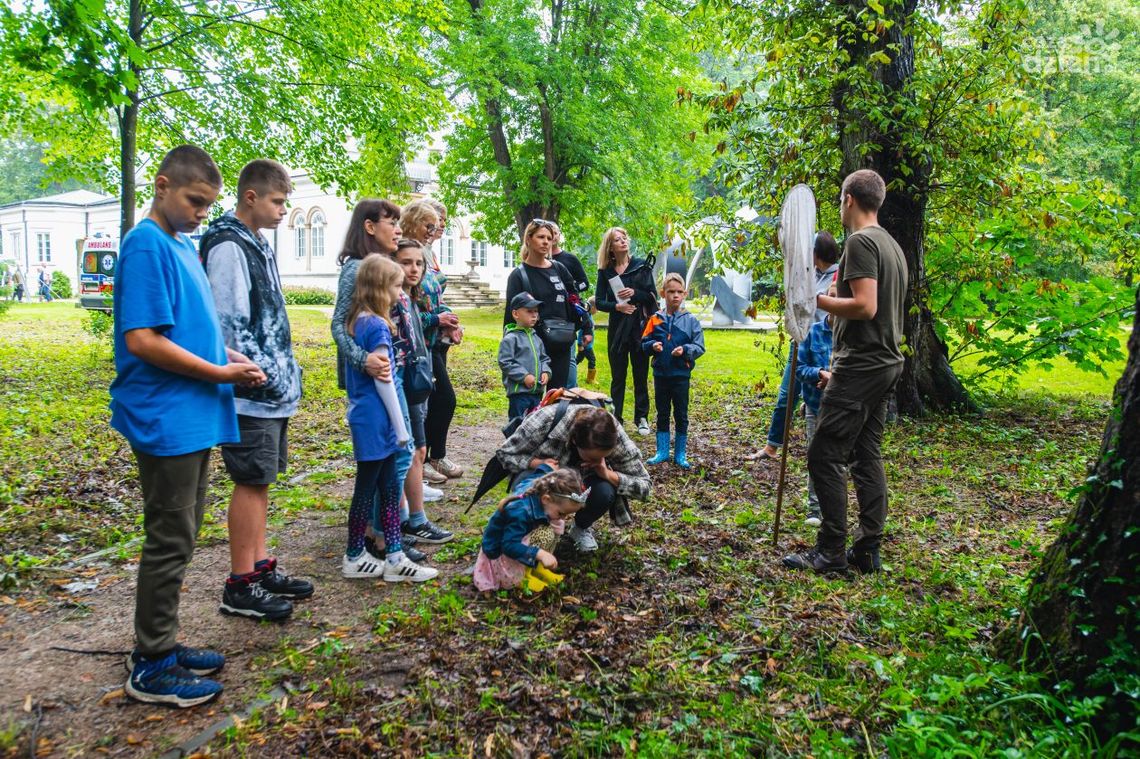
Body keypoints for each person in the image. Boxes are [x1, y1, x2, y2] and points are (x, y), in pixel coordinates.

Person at [111, 145, 266, 707]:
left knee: (183, 534)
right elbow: (144, 340)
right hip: (166, 414)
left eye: (208, 203)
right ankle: (150, 662)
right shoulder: (146, 244)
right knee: (170, 539)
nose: (203, 212)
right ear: (161, 185)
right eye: (195, 200)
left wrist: (229, 358)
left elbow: (187, 331)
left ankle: (162, 645)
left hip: (195, 412)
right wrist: (220, 370)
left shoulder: (180, 244)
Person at [201, 159, 311, 622]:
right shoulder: (228, 244)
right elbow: (228, 322)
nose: (283, 210)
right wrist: (257, 371)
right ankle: (240, 582)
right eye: (277, 201)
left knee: (261, 479)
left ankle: (259, 565)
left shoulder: (256, 242)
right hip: (250, 389)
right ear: (251, 197)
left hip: (270, 389)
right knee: (250, 479)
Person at [783, 169, 908, 575]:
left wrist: (816, 299)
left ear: (849, 199)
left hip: (862, 363)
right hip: (887, 362)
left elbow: (866, 306)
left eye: (839, 199)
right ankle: (868, 547)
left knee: (824, 453)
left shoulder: (860, 242)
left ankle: (831, 552)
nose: (839, 207)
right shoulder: (892, 245)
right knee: (866, 453)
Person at [331, 201, 432, 564]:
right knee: (390, 459)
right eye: (392, 223)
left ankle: (385, 534)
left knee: (393, 460)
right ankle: (378, 537)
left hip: (394, 371)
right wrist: (364, 360)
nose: (399, 229)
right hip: (375, 382)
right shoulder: (358, 270)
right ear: (370, 227)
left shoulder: (383, 269)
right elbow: (339, 325)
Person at [341, 254, 438, 582]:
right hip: (378, 420)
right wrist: (401, 430)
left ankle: (394, 555)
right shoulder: (377, 325)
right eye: (396, 285)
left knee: (384, 486)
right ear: (379, 287)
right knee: (369, 488)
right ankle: (355, 554)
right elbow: (385, 381)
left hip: (368, 418)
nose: (401, 292)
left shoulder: (358, 320)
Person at [497, 404, 650, 553]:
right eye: (592, 457)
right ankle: (525, 528)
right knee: (528, 482)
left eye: (604, 456)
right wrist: (539, 463)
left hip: (584, 481)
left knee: (605, 491)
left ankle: (580, 528)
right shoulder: (545, 420)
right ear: (575, 441)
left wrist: (607, 474)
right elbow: (505, 454)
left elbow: (644, 486)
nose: (598, 460)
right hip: (545, 477)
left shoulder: (613, 433)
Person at [756, 231, 841, 461]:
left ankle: (826, 455)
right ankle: (772, 446)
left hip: (823, 347)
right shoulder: (810, 275)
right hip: (802, 343)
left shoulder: (839, 276)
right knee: (787, 395)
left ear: (816, 252)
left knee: (820, 401)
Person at [392, 238, 453, 545]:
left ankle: (412, 519)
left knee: (417, 450)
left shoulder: (409, 297)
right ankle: (401, 522)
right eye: (406, 262)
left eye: (418, 263)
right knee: (407, 452)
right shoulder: (393, 300)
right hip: (400, 384)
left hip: (416, 380)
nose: (413, 269)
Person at [401, 200, 464, 485]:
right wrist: (437, 320)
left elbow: (431, 300)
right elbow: (408, 311)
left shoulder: (425, 252)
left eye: (439, 223)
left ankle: (430, 458)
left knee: (433, 400)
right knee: (436, 399)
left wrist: (447, 317)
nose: (437, 228)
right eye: (431, 223)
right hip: (417, 344)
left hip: (432, 341)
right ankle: (422, 462)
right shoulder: (404, 254)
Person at [503, 220, 590, 390]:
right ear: (528, 239)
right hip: (532, 345)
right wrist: (510, 345)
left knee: (557, 396)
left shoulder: (559, 269)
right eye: (540, 237)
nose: (546, 242)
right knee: (530, 398)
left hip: (561, 342)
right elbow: (510, 314)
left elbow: (575, 301)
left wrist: (585, 327)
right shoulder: (519, 275)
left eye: (549, 238)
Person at [473, 465, 587, 592]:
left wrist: (546, 465)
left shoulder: (542, 485)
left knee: (557, 525)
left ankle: (537, 567)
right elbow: (509, 545)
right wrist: (538, 553)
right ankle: (522, 577)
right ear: (546, 499)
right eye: (561, 513)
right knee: (545, 533)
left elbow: (541, 471)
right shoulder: (520, 512)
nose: (564, 518)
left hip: (518, 535)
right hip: (500, 550)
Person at [595, 227, 656, 435]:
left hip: (638, 328)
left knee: (641, 374)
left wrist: (635, 293)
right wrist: (617, 307)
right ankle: (616, 418)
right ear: (610, 247)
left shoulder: (641, 266)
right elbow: (600, 301)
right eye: (617, 240)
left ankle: (642, 418)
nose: (623, 242)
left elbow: (652, 296)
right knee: (617, 376)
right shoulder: (605, 271)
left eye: (624, 238)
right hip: (618, 329)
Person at [640, 273, 705, 469]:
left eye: (679, 292)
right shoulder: (655, 319)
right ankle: (661, 451)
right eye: (671, 292)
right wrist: (653, 346)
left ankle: (680, 453)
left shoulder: (691, 321)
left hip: (680, 376)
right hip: (661, 374)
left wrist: (685, 351)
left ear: (685, 294)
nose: (675, 296)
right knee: (662, 412)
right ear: (663, 293)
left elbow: (700, 347)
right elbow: (643, 343)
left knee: (681, 414)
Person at [794, 314, 834, 527]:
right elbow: (799, 368)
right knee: (815, 454)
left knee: (836, 459)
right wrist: (819, 373)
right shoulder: (813, 331)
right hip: (814, 405)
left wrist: (834, 380)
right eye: (834, 296)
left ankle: (834, 509)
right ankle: (814, 508)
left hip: (840, 408)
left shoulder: (853, 334)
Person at [549, 222, 593, 388]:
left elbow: (585, 283)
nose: (552, 236)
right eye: (548, 233)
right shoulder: (537, 261)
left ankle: (570, 393)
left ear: (559, 235)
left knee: (569, 357)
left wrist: (570, 290)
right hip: (545, 317)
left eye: (555, 232)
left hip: (567, 314)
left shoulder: (569, 259)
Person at [499, 291, 551, 425]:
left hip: (537, 392)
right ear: (516, 314)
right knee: (517, 423)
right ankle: (513, 445)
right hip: (519, 393)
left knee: (534, 424)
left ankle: (530, 445)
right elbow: (505, 362)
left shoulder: (536, 338)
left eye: (536, 311)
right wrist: (524, 376)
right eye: (529, 311)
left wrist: (546, 371)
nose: (534, 315)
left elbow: (544, 358)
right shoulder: (510, 339)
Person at [575, 296, 598, 384]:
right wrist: (580, 345)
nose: (597, 311)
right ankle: (590, 379)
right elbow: (581, 332)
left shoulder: (589, 315)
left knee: (578, 359)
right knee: (592, 360)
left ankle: (570, 370)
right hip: (586, 346)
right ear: (592, 308)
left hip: (587, 345)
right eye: (597, 309)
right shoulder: (586, 317)